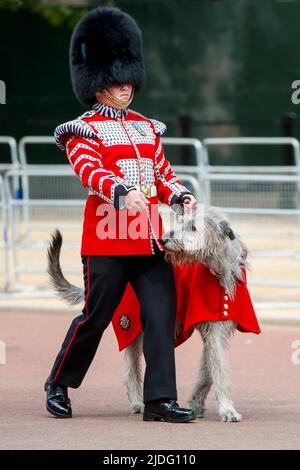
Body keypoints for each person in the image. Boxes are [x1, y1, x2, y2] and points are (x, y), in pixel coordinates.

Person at [44, 6, 197, 423]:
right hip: (107, 240)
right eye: (115, 78)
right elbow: (89, 170)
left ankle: (159, 400)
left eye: (128, 76)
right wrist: (119, 191)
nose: (125, 85)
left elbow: (162, 173)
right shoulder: (82, 129)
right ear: (96, 83)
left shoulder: (147, 128)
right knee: (95, 317)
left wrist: (180, 194)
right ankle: (59, 381)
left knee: (160, 316)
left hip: (149, 238)